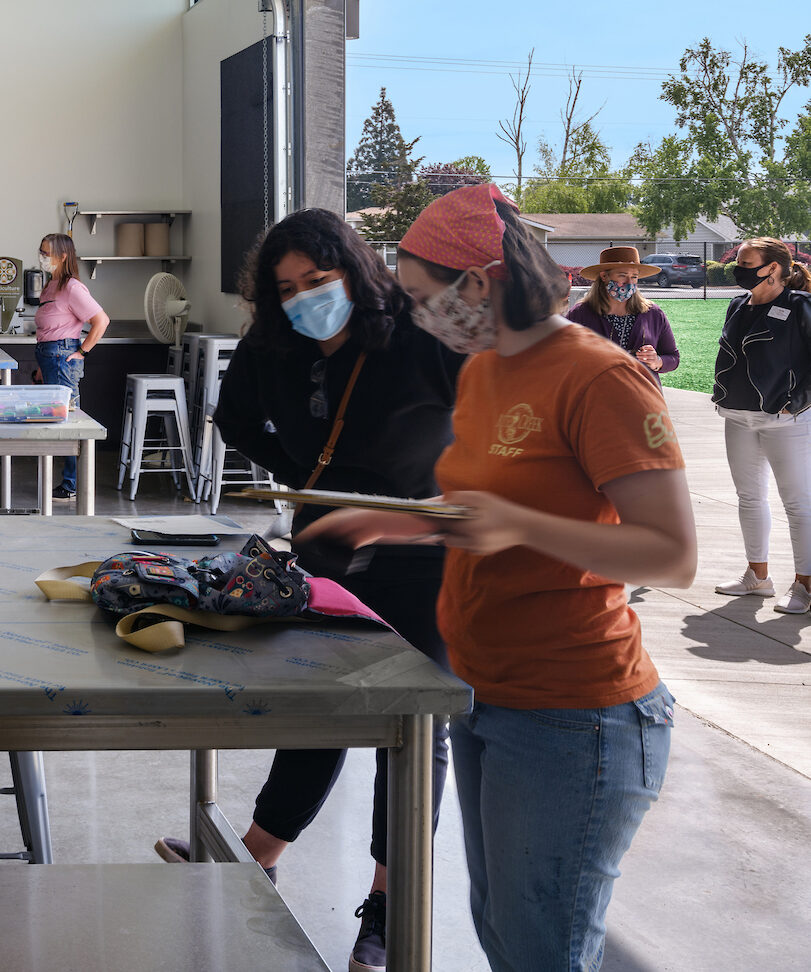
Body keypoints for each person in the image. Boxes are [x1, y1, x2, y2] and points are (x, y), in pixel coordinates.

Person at [301, 182, 694, 972]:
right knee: (505, 934)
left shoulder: (598, 377)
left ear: (476, 282)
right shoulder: (481, 371)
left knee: (540, 948)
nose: (418, 316)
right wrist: (382, 520)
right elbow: (478, 505)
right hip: (484, 694)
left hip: (575, 713)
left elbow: (670, 554)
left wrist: (520, 528)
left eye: (421, 297)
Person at [152, 208, 462, 972]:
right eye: (287, 287)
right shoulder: (274, 340)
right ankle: (257, 852)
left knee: (414, 725)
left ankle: (389, 907)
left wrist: (434, 496)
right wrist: (301, 477)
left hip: (418, 545)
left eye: (317, 281)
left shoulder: (418, 333)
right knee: (318, 700)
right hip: (321, 538)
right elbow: (233, 418)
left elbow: (479, 421)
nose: (303, 297)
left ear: (353, 269)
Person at [708, 237, 811, 609]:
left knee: (798, 504)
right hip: (737, 416)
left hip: (787, 421)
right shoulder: (738, 304)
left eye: (746, 262)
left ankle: (805, 585)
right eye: (738, 260)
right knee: (749, 498)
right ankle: (758, 576)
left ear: (773, 268)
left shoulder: (800, 305)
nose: (738, 268)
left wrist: (794, 403)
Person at [28, 233, 110, 503]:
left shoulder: (73, 287)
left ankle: (72, 485)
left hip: (62, 358)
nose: (42, 257)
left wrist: (82, 351)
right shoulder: (52, 285)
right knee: (56, 421)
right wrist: (41, 368)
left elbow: (101, 321)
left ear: (63, 256)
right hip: (48, 357)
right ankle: (67, 482)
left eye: (47, 253)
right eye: (41, 251)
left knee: (69, 422)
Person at [564, 246, 678, 375]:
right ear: (604, 276)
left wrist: (657, 361)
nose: (629, 282)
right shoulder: (580, 314)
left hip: (643, 393)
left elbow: (673, 357)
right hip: (595, 393)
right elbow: (561, 355)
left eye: (634, 277)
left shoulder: (653, 314)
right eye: (622, 276)